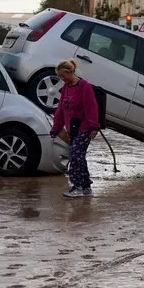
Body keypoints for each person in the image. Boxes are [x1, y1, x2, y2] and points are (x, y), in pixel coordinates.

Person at [49, 58, 100, 198]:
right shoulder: (66, 88)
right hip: (72, 129)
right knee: (79, 157)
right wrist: (56, 128)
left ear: (71, 72)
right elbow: (60, 110)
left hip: (85, 128)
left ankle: (76, 186)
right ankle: (86, 186)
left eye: (63, 76)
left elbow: (92, 108)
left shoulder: (84, 86)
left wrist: (94, 127)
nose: (61, 78)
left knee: (75, 155)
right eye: (59, 76)